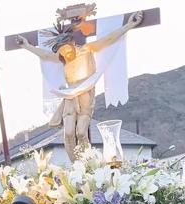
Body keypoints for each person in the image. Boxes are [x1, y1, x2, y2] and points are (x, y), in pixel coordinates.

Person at [15, 8, 143, 160]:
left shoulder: (86, 50)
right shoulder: (62, 56)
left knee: (81, 132)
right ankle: (75, 165)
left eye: (67, 50)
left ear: (72, 43)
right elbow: (45, 55)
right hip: (70, 96)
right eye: (62, 52)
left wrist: (128, 26)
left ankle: (88, 162)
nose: (66, 55)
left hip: (86, 95)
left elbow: (108, 39)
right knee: (68, 133)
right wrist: (26, 45)